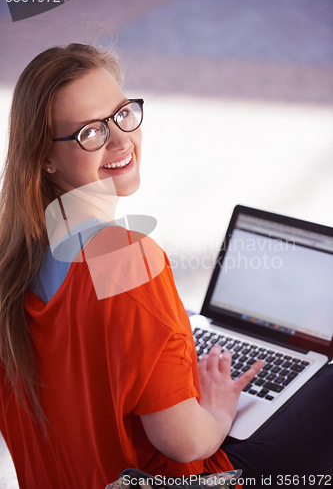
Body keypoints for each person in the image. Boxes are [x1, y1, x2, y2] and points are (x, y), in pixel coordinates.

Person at [0, 43, 332, 489]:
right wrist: (215, 406)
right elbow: (187, 443)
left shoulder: (12, 261)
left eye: (122, 114)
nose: (120, 140)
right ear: (44, 157)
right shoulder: (127, 259)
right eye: (90, 133)